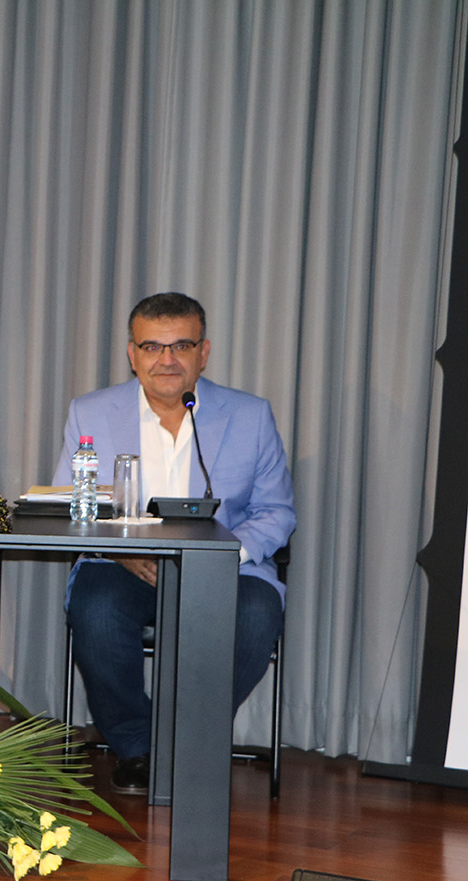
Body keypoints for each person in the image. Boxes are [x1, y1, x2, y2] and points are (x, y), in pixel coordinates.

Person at [54, 291, 295, 794]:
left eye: (181, 346)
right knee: (96, 608)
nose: (167, 360)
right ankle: (137, 747)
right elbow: (71, 506)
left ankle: (188, 741)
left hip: (227, 568)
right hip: (123, 564)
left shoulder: (249, 416)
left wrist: (222, 556)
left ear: (203, 352)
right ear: (132, 354)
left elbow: (276, 512)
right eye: (152, 347)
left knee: (257, 613)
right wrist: (121, 551)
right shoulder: (91, 412)